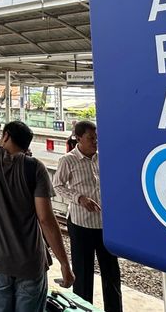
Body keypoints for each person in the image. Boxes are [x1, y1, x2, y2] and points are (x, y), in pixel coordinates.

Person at [0, 121, 72, 312]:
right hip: (30, 263)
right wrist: (64, 263)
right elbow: (45, 219)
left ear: (5, 136)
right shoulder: (35, 168)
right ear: (27, 145)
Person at [54, 121, 121, 311]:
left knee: (112, 274)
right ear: (79, 138)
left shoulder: (103, 157)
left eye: (96, 137)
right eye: (91, 138)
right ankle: (83, 309)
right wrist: (79, 198)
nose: (95, 141)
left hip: (105, 225)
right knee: (83, 274)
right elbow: (58, 185)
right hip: (81, 224)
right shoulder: (68, 160)